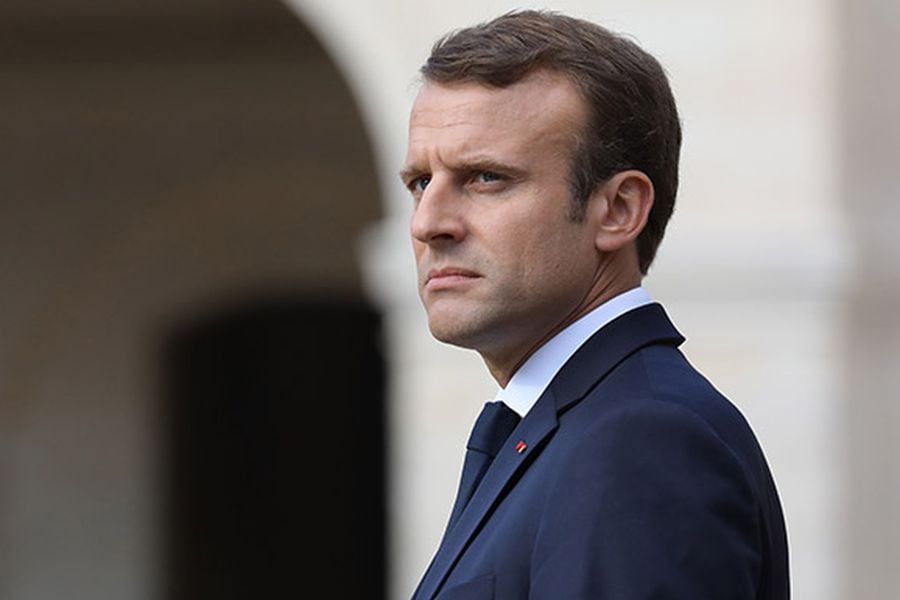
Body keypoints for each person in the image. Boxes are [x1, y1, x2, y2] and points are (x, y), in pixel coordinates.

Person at [400, 10, 789, 600]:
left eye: (484, 177)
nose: (429, 223)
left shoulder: (642, 442)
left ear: (619, 209)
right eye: (420, 182)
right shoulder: (576, 428)